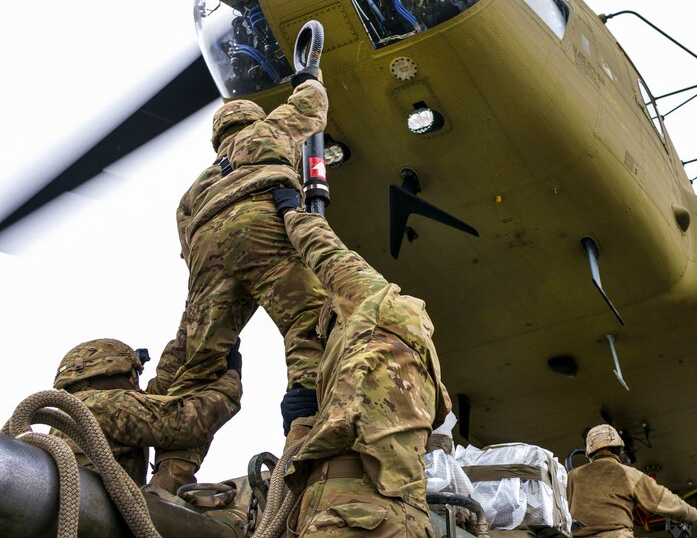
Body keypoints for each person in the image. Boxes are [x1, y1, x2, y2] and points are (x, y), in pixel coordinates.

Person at [153, 70, 329, 487]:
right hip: (258, 221)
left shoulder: (195, 187)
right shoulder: (268, 131)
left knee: (200, 365)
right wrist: (309, 76)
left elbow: (186, 245)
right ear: (252, 118)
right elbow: (311, 106)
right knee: (310, 322)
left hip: (205, 253)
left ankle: (168, 477)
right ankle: (306, 436)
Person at [274, 194, 452, 537]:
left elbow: (326, 251)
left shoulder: (374, 301)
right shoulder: (423, 371)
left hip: (350, 510)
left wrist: (291, 211)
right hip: (411, 517)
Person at [51, 337, 242, 488]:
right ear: (116, 372)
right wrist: (231, 380)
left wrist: (187, 336)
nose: (136, 383)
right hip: (110, 521)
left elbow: (156, 400)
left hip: (89, 515)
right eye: (134, 374)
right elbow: (187, 423)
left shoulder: (74, 410)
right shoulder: (108, 404)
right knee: (182, 445)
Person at [566, 425, 697, 538]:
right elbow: (669, 503)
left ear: (589, 453)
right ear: (618, 449)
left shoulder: (572, 477)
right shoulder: (627, 474)